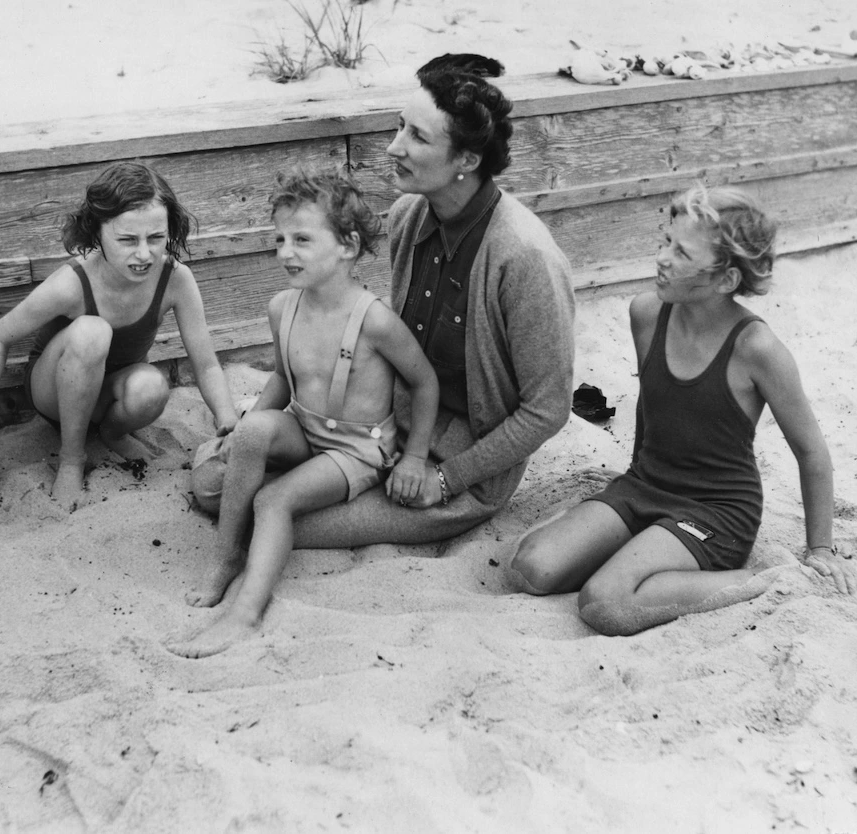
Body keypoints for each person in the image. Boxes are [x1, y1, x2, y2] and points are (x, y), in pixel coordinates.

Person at [191, 53, 575, 549]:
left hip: (461, 462)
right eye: (399, 127)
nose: (393, 147)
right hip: (376, 431)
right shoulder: (409, 215)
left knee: (261, 521)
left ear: (467, 160)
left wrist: (446, 480)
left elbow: (547, 411)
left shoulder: (525, 258)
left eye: (417, 136)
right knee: (212, 490)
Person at [508, 184, 854, 636]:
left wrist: (821, 551)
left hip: (715, 512)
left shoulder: (757, 349)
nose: (662, 257)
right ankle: (643, 548)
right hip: (646, 486)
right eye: (665, 241)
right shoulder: (646, 313)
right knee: (531, 569)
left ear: (726, 279)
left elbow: (812, 453)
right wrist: (632, 472)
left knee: (605, 603)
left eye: (682, 253)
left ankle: (762, 578)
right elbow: (654, 405)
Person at [169, 168, 440, 658]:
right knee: (251, 434)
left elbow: (424, 382)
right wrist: (247, 427)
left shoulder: (375, 320)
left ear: (347, 246)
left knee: (274, 500)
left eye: (301, 239)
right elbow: (281, 380)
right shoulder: (281, 308)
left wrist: (415, 456)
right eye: (279, 239)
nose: (284, 252)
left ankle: (245, 614)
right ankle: (226, 556)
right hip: (306, 426)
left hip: (357, 449)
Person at [0, 162, 238, 512]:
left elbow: (208, 365)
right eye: (126, 240)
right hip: (54, 393)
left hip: (110, 395)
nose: (143, 254)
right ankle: (72, 459)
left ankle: (112, 433)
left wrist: (227, 419)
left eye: (155, 238)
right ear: (97, 232)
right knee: (93, 332)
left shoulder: (176, 279)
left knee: (152, 387)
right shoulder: (72, 283)